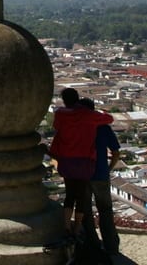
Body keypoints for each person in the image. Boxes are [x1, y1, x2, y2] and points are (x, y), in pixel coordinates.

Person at [48, 88, 113, 235]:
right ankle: (77, 227)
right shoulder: (88, 115)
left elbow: (56, 127)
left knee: (70, 194)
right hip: (85, 161)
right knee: (82, 196)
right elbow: (109, 119)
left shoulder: (60, 114)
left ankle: (66, 225)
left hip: (67, 160)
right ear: (77, 98)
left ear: (64, 100)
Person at [83, 106, 122, 255]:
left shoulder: (76, 127)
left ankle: (91, 243)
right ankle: (111, 245)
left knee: (85, 210)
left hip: (81, 175)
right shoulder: (103, 127)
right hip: (100, 174)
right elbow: (116, 152)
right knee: (105, 211)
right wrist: (109, 168)